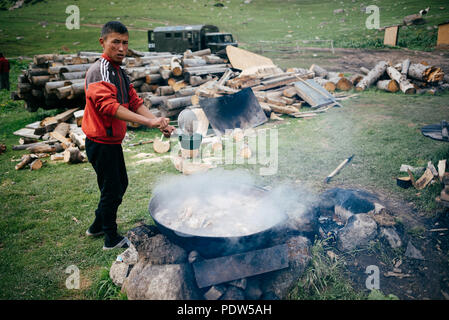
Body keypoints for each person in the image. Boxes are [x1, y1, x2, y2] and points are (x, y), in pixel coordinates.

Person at [82, 21, 175, 250]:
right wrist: (148, 121)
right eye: (116, 42)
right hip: (100, 143)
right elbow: (109, 107)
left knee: (117, 185)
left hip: (112, 142)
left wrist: (156, 121)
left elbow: (134, 103)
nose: (121, 48)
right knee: (113, 188)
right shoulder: (100, 71)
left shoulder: (119, 72)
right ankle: (110, 238)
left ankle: (97, 225)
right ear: (102, 42)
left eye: (125, 43)